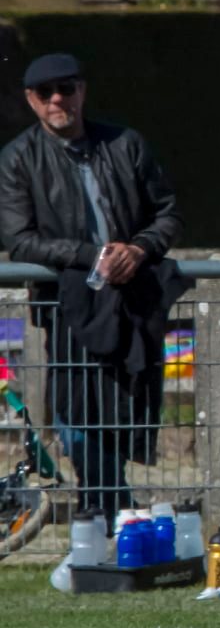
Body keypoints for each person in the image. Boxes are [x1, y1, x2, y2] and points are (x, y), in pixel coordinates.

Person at [0, 52, 183, 515]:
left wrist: (138, 249)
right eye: (46, 92)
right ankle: (111, 508)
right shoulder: (18, 159)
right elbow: (19, 240)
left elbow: (167, 214)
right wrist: (93, 256)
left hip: (133, 298)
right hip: (67, 306)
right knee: (74, 409)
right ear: (31, 100)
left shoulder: (126, 144)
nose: (58, 99)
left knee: (126, 409)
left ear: (82, 90)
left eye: (67, 88)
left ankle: (109, 509)